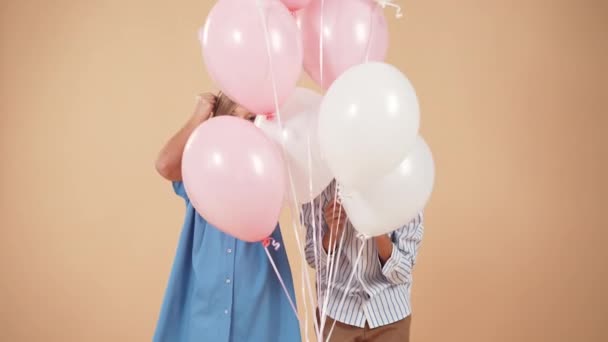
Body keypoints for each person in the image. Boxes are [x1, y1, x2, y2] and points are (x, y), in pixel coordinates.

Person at [153, 92, 301, 342]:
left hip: (257, 306)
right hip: (205, 301)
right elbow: (165, 165)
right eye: (232, 116)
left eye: (250, 118)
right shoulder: (201, 168)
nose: (240, 126)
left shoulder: (267, 168)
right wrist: (197, 117)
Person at [303, 181, 423, 342]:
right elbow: (312, 259)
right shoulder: (323, 184)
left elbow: (401, 273)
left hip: (390, 313)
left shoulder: (405, 186)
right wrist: (332, 233)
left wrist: (376, 228)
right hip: (336, 312)